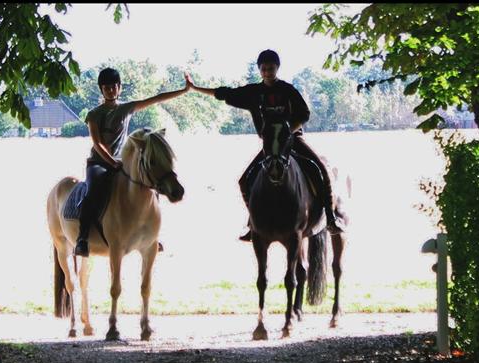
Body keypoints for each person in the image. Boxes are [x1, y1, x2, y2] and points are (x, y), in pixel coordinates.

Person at [186, 49, 345, 241]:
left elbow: (305, 114)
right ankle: (253, 222)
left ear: (277, 68)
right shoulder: (253, 93)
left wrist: (288, 130)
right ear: (259, 70)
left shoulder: (288, 90)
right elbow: (224, 93)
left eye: (271, 68)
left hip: (292, 140)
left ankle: (330, 217)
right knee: (244, 180)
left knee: (321, 168)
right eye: (264, 69)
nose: (268, 72)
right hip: (269, 145)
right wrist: (195, 88)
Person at [75, 67, 190, 257]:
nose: (110, 90)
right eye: (106, 88)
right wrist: (112, 162)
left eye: (113, 87)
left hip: (122, 163)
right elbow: (97, 143)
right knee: (92, 191)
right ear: (101, 90)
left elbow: (156, 98)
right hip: (99, 163)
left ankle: (152, 234)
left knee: (151, 185)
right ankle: (82, 238)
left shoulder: (126, 109)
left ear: (119, 87)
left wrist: (184, 90)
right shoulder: (94, 114)